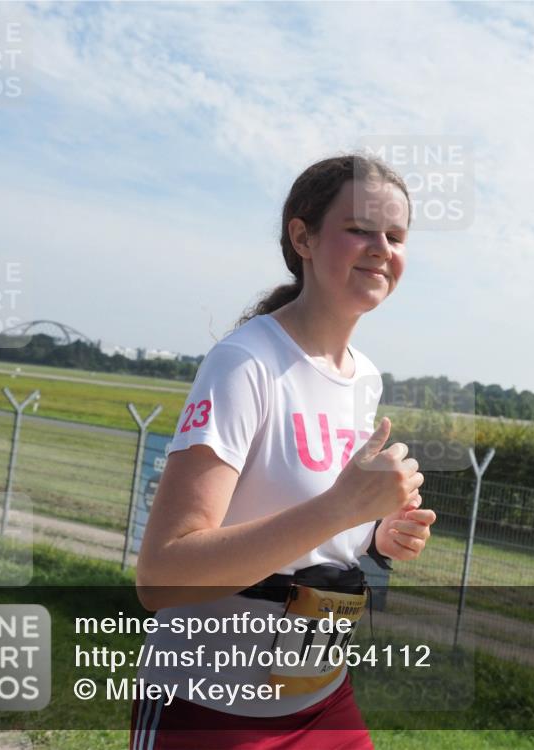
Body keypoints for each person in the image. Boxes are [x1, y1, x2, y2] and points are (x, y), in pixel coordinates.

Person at [130, 153, 437, 749]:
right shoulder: (244, 365)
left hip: (322, 698)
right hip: (209, 708)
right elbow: (163, 576)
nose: (381, 247)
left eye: (395, 236)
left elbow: (321, 525)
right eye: (359, 229)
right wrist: (343, 509)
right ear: (303, 236)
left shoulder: (365, 378)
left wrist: (376, 533)